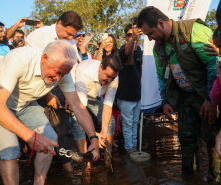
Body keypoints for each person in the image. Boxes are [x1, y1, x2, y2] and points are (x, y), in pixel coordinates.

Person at [0, 40, 99, 185]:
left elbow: (77, 105)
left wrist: (93, 138)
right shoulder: (19, 59)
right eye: (57, 72)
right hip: (0, 103)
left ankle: (39, 182)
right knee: (10, 149)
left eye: (63, 75)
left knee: (51, 139)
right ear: (45, 58)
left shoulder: (62, 72)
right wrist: (30, 136)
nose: (58, 79)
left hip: (25, 104)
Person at [137, 6, 221, 179]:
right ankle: (189, 177)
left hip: (207, 95)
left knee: (212, 139)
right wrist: (165, 102)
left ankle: (215, 177)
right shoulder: (158, 48)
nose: (150, 39)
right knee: (186, 138)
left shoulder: (193, 31)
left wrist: (210, 100)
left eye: (150, 33)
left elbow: (213, 66)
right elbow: (161, 76)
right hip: (185, 98)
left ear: (161, 23)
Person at [70, 54, 123, 157]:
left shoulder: (114, 78)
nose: (109, 81)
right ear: (100, 67)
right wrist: (94, 135)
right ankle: (85, 159)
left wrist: (103, 132)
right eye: (107, 76)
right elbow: (81, 110)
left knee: (110, 122)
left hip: (95, 97)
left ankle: (108, 156)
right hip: (79, 95)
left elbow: (108, 105)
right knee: (78, 124)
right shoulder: (84, 73)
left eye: (112, 77)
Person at [116, 24, 142, 154]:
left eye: (135, 34)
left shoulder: (140, 49)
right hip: (125, 95)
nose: (132, 37)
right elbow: (127, 52)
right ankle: (128, 149)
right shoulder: (122, 49)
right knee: (127, 124)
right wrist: (134, 39)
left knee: (135, 122)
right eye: (129, 35)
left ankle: (134, 146)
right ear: (126, 37)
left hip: (137, 94)